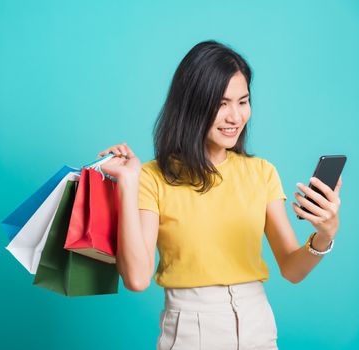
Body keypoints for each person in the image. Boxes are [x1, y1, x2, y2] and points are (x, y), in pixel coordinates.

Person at [97, 40, 342, 350]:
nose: (235, 117)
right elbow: (137, 279)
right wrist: (128, 183)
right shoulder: (153, 177)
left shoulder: (261, 172)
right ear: (192, 104)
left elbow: (292, 269)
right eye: (221, 103)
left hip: (258, 326)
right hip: (190, 331)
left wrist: (325, 234)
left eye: (243, 101)